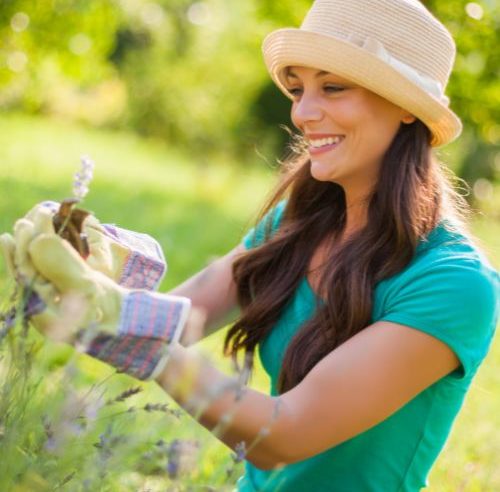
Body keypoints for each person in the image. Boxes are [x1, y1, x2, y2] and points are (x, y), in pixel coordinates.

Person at [1, 0, 499, 490]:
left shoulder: (455, 284)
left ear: (406, 107)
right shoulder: (299, 223)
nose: (304, 112)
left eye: (332, 87)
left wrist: (118, 317)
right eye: (298, 88)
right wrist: (104, 266)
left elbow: (282, 434)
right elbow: (182, 318)